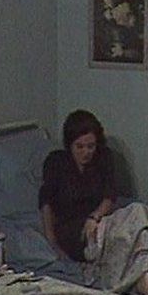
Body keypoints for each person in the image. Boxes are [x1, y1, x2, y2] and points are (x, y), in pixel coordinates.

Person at [39, 109, 117, 262]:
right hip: (73, 230)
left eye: (91, 146)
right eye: (79, 147)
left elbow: (110, 194)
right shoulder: (56, 162)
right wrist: (51, 240)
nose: (86, 152)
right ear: (70, 145)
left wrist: (95, 217)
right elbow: (45, 201)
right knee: (126, 235)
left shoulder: (104, 157)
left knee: (137, 213)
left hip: (99, 220)